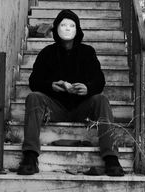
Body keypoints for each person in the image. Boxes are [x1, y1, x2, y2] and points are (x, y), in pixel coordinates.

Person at [17, 9, 124, 176]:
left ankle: (111, 158)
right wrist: (50, 86)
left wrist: (87, 88)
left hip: (83, 108)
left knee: (101, 100)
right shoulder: (47, 53)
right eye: (63, 24)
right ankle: (30, 156)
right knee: (34, 98)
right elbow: (34, 81)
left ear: (78, 29)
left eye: (71, 25)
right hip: (55, 108)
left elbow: (99, 81)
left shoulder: (87, 52)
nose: (67, 28)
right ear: (56, 29)